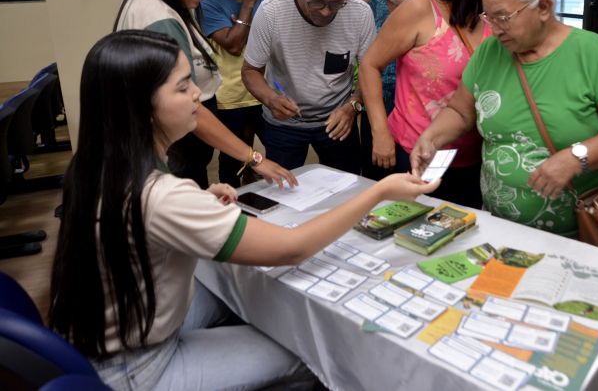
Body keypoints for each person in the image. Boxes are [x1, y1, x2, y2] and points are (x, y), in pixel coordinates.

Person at [48, 30, 439, 390]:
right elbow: (292, 248)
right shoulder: (162, 196)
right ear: (142, 107)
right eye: (183, 87)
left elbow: (151, 218)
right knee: (316, 353)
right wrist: (378, 193)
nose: (197, 97)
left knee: (240, 292)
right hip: (139, 368)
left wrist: (199, 199)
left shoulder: (99, 164)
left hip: (102, 341)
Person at [410, 0, 598, 236]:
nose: (495, 29)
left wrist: (576, 157)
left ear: (543, 7)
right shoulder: (490, 52)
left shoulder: (589, 52)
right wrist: (431, 137)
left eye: (503, 17)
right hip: (498, 224)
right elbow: (460, 111)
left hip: (578, 231)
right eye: (489, 17)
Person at [114, 0, 294, 189]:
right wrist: (254, 158)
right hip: (176, 146)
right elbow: (191, 107)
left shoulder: (155, 3)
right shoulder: (159, 18)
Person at [360, 0, 498, 208]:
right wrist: (380, 131)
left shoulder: (489, 19)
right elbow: (369, 65)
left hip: (471, 158)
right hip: (415, 153)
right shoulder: (421, 7)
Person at [242, 0, 375, 174]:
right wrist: (271, 99)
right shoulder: (272, 11)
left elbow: (370, 71)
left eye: (335, 2)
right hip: (284, 124)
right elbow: (250, 71)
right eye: (316, 1)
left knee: (347, 189)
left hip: (338, 119)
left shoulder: (360, 13)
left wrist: (353, 105)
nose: (325, 11)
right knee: (282, 191)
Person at [200, 0, 268, 187]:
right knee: (232, 159)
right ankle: (231, 211)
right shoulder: (208, 1)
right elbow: (234, 45)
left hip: (262, 89)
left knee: (278, 147)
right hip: (230, 95)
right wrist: (247, 4)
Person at [357, 0, 416, 178]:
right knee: (374, 167)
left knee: (406, 166)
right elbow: (349, 25)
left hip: (410, 100)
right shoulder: (374, 3)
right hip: (375, 97)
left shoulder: (421, 1)